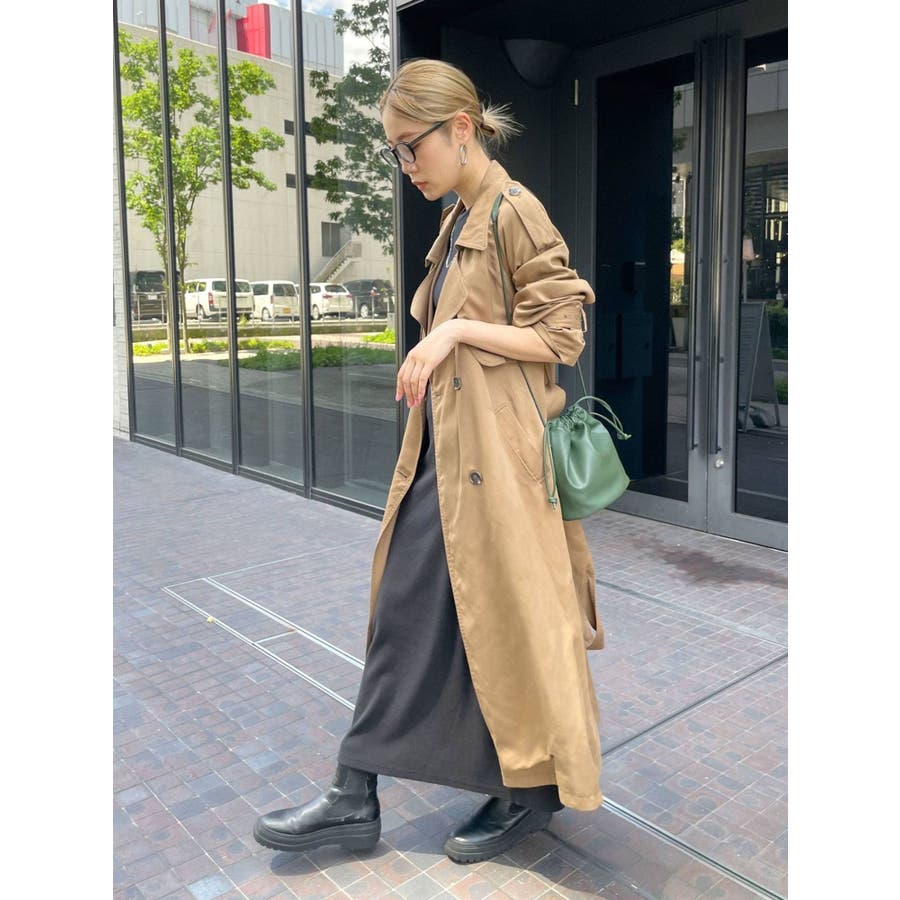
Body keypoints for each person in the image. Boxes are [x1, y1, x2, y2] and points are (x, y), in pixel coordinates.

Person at [253, 58, 605, 865]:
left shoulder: (514, 211)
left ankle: (506, 793)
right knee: (430, 618)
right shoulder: (458, 219)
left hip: (498, 470)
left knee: (484, 619)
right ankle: (365, 790)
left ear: (461, 128)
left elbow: (562, 335)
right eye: (395, 151)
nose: (405, 164)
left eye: (412, 145)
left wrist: (454, 332)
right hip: (447, 459)